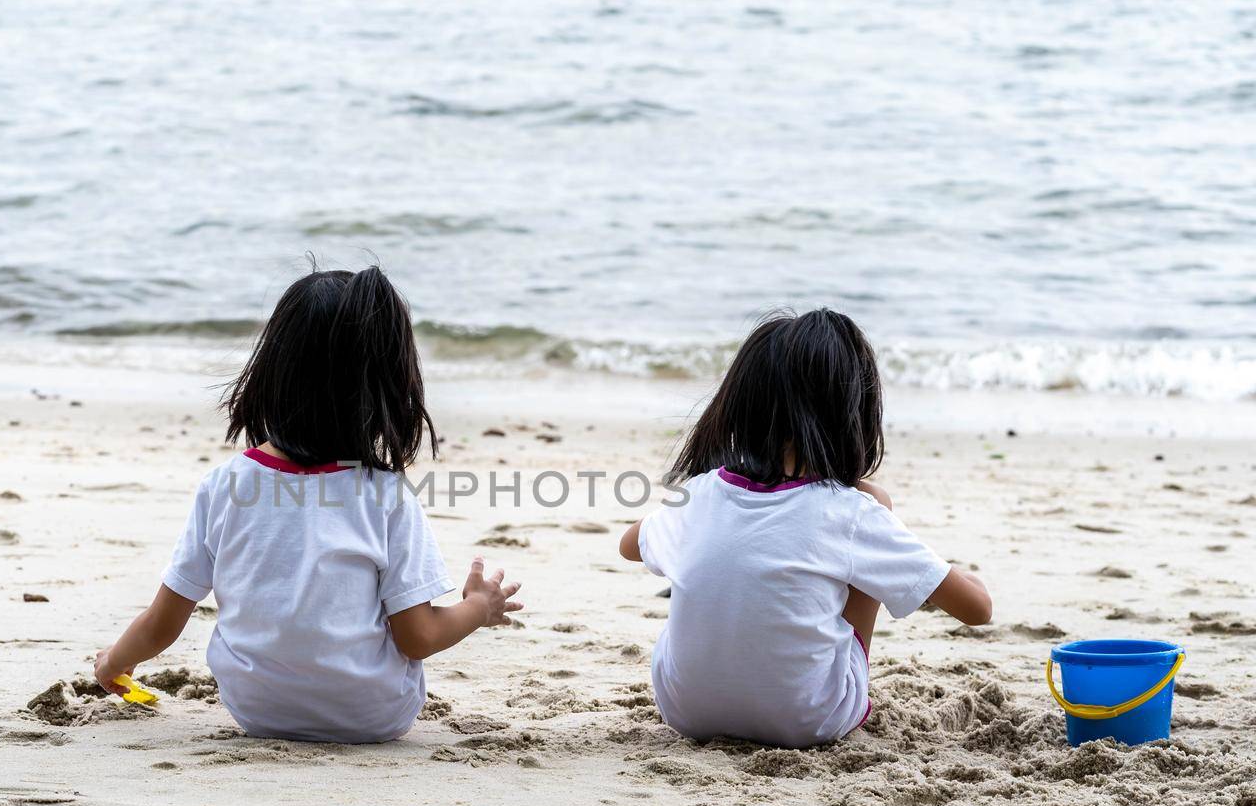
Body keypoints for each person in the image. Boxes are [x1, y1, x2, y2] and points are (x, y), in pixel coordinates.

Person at [94, 265, 521, 742]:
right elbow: (418, 636)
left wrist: (115, 662)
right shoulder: (383, 494)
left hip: (257, 712)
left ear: (272, 370)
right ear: (386, 388)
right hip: (373, 718)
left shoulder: (226, 485)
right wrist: (479, 608)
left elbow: (162, 623)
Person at [619, 309, 991, 748]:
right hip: (808, 720)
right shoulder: (851, 511)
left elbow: (630, 546)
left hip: (684, 711)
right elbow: (978, 610)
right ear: (851, 411)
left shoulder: (701, 493)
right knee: (875, 511)